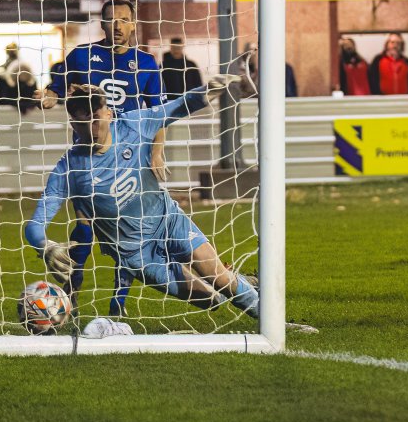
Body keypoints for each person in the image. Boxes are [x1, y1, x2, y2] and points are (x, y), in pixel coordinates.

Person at [24, 76, 260, 321]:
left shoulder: (133, 125)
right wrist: (45, 246)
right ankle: (237, 283)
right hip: (137, 255)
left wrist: (210, 88)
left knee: (219, 277)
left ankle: (271, 320)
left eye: (97, 117)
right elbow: (35, 225)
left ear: (108, 113)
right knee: (211, 298)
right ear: (73, 123)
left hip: (168, 221)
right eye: (84, 121)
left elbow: (180, 105)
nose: (93, 127)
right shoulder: (69, 169)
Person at [35, 0, 164, 316]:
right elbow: (57, 87)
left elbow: (158, 114)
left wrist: (156, 154)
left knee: (128, 233)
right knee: (85, 226)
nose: (117, 26)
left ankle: (118, 305)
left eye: (123, 19)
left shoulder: (147, 64)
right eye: (110, 19)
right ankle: (71, 291)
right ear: (101, 23)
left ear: (134, 24)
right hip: (88, 157)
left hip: (129, 159)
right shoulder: (81, 56)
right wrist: (49, 97)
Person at [0, 43, 38, 114]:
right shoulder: (1, 71)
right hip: (7, 108)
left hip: (21, 106)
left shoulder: (25, 68)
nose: (12, 51)